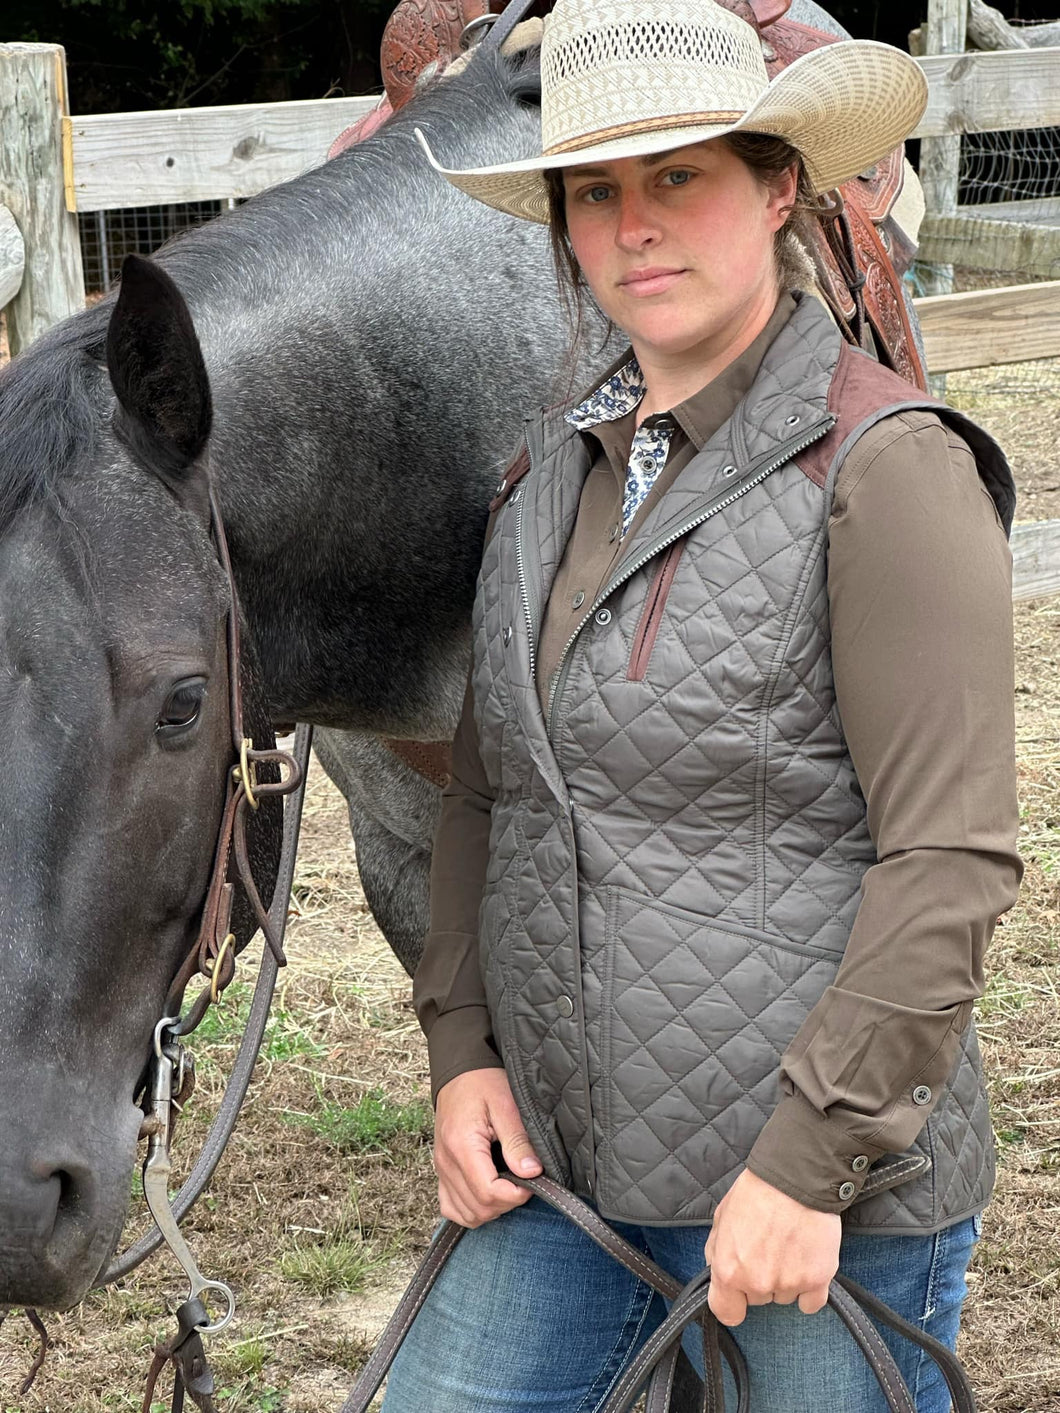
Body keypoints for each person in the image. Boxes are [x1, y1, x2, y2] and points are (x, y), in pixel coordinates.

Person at [385, 0, 1023, 1407]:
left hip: (814, 1199)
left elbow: (949, 862)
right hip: (560, 1171)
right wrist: (461, 1047)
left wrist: (809, 1163)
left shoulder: (888, 474)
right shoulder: (546, 476)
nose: (635, 227)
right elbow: (491, 791)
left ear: (777, 184)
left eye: (679, 175)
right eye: (597, 192)